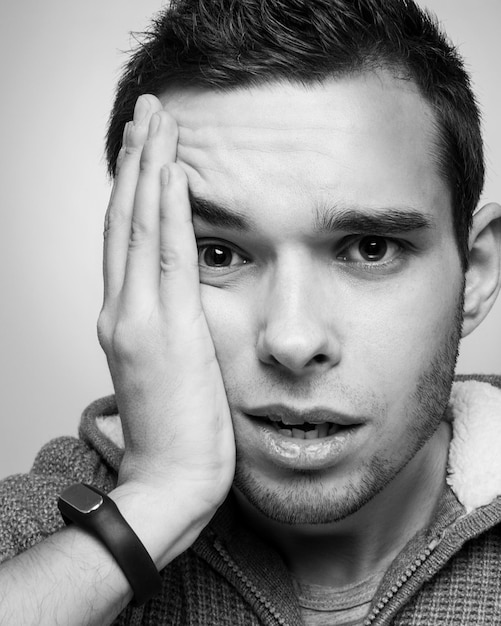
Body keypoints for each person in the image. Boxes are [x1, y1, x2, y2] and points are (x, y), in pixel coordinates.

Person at [1, 0, 501, 623]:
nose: (292, 340)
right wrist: (155, 500)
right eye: (217, 252)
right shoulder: (44, 522)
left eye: (371, 249)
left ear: (476, 275)